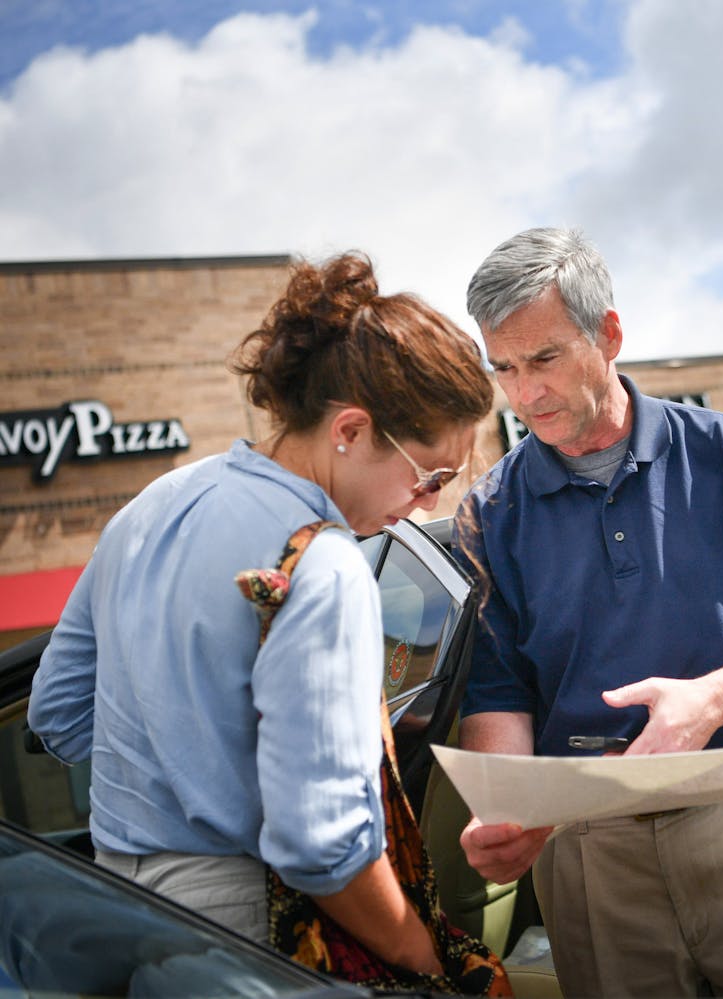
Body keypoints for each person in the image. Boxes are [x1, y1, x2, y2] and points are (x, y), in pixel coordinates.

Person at [28, 252, 499, 986]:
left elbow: (56, 713)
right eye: (430, 473)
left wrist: (182, 750)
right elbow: (320, 847)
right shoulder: (326, 562)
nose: (429, 502)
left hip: (114, 900)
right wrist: (424, 955)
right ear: (350, 429)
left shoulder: (149, 504)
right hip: (246, 932)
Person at [450, 226, 723, 997]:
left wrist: (713, 699)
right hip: (589, 854)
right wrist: (511, 805)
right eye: (504, 367)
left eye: (544, 358)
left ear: (608, 332)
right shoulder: (490, 510)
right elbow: (499, 689)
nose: (524, 393)